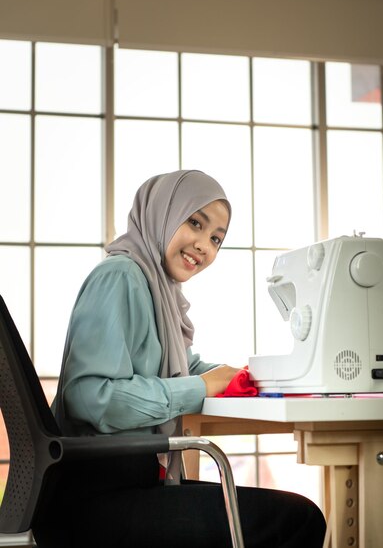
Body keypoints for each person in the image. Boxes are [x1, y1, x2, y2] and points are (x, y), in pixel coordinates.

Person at [32, 170, 326, 548]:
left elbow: (182, 368)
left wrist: (250, 376)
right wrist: (200, 386)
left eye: (216, 238)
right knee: (298, 519)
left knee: (290, 514)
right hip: (90, 501)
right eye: (195, 223)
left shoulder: (154, 289)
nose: (205, 245)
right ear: (162, 213)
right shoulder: (120, 276)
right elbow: (91, 397)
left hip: (124, 485)